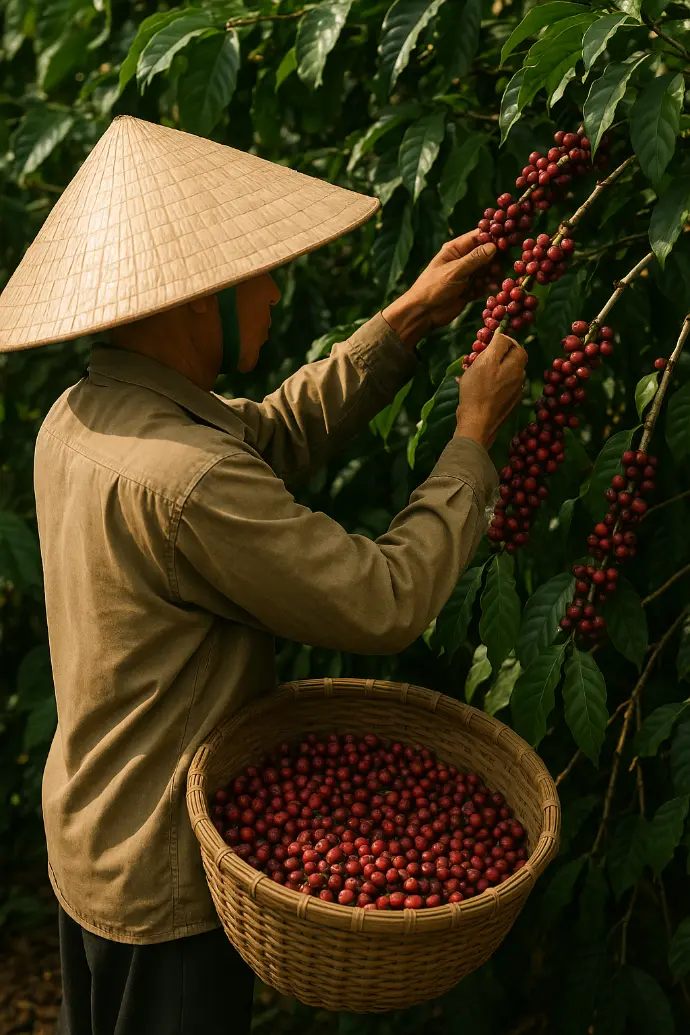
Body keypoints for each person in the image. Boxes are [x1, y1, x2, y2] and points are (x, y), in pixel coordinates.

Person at [0, 116, 526, 1034]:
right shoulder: (189, 481)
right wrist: (473, 441)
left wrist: (404, 323)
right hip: (166, 871)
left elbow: (266, 438)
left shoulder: (83, 414)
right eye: (261, 275)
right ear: (195, 300)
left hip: (91, 831)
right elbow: (385, 598)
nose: (279, 291)